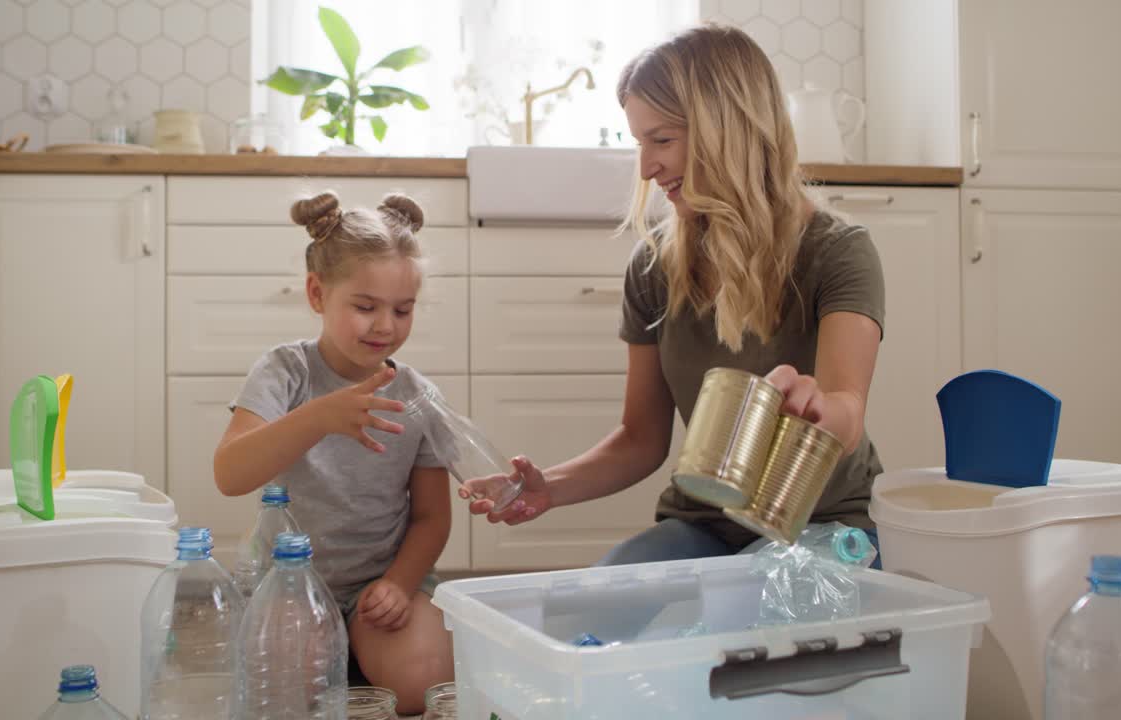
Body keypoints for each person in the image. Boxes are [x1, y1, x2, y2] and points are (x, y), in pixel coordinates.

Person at [466, 24, 886, 566]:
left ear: (728, 130)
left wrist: (818, 407)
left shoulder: (837, 252)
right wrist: (548, 487)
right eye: (640, 143)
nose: (647, 167)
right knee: (603, 601)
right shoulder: (654, 267)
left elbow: (847, 412)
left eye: (661, 140)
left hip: (821, 526)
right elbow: (640, 439)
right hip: (707, 525)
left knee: (753, 625)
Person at [213, 191, 453, 714]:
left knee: (426, 685)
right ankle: (343, 663)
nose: (386, 326)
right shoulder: (284, 372)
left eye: (402, 309)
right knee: (281, 696)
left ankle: (359, 655)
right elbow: (230, 473)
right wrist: (317, 417)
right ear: (317, 294)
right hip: (289, 583)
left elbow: (433, 518)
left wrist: (399, 583)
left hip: (380, 585)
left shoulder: (417, 398)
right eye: (365, 307)